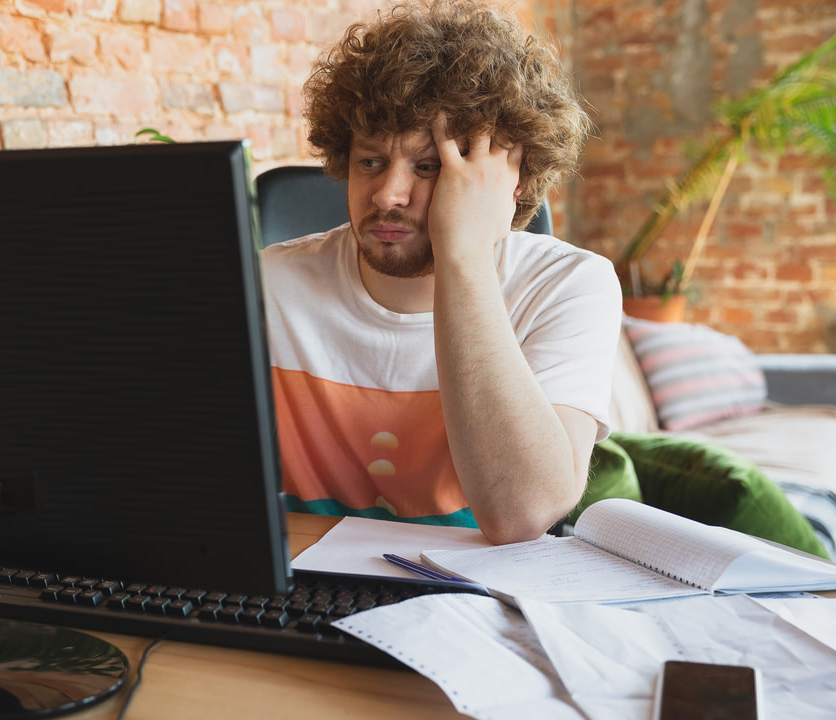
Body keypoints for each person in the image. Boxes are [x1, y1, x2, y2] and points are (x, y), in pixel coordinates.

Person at [262, 0, 622, 545]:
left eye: (428, 167)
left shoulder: (568, 286)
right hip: (303, 594)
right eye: (370, 161)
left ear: (511, 180)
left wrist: (465, 253)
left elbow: (521, 515)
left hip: (478, 606)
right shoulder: (266, 288)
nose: (386, 194)